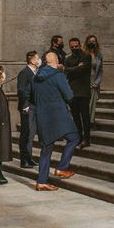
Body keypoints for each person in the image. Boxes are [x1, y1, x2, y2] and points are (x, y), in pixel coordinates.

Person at [32, 51, 80, 191]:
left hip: (42, 116)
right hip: (58, 115)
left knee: (46, 149)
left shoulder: (36, 77)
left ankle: (41, 181)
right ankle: (61, 168)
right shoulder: (58, 75)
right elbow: (69, 96)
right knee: (74, 137)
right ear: (57, 61)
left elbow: (33, 96)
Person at [65, 38, 92, 149]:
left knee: (85, 117)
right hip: (73, 92)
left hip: (84, 91)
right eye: (72, 47)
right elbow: (66, 72)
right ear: (70, 47)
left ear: (80, 45)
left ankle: (87, 139)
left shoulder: (86, 56)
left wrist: (72, 69)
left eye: (76, 46)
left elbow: (84, 69)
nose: (75, 48)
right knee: (75, 117)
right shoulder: (68, 59)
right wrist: (77, 67)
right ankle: (79, 138)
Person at [17, 51, 39, 168]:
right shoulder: (24, 73)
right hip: (27, 107)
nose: (39, 60)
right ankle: (23, 159)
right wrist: (25, 105)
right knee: (25, 134)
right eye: (37, 58)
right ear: (31, 60)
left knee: (31, 134)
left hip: (35, 106)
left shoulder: (36, 72)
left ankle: (29, 157)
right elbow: (21, 90)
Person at [84, 35, 104, 125]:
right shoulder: (83, 53)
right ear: (87, 42)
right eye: (90, 41)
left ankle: (91, 121)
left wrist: (97, 82)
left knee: (93, 103)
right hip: (85, 80)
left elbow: (100, 71)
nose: (92, 43)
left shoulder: (99, 55)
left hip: (94, 80)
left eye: (94, 41)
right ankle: (85, 121)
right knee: (86, 103)